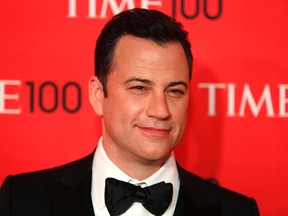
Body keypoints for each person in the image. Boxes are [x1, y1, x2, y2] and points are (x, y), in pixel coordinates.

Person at [0, 8, 259, 216]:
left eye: (175, 91)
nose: (161, 111)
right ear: (98, 95)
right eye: (139, 88)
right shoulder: (21, 201)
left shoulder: (236, 211)